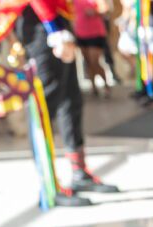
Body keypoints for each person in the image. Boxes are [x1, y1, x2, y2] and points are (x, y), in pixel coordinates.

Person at [17, 0, 119, 206]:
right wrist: (53, 29)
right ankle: (48, 184)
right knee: (44, 106)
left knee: (70, 100)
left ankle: (79, 171)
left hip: (57, 19)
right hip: (41, 22)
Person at [73, 0, 111, 97]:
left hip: (95, 33)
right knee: (88, 62)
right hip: (81, 33)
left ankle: (106, 85)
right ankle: (93, 87)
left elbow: (106, 9)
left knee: (94, 62)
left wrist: (95, 11)